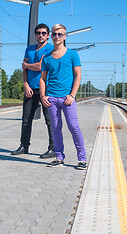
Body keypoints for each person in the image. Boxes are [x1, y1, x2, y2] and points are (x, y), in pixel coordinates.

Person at [40, 24, 87, 169]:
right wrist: (43, 96)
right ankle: (59, 157)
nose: (57, 37)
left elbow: (78, 75)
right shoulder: (46, 57)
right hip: (52, 98)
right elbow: (43, 78)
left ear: (65, 37)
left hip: (68, 98)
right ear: (51, 36)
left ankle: (82, 159)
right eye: (54, 34)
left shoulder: (73, 54)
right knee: (55, 127)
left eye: (60, 34)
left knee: (74, 127)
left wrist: (72, 95)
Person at [11, 23, 55, 159]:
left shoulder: (51, 49)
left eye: (43, 33)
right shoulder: (29, 49)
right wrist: (26, 85)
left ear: (48, 35)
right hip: (31, 88)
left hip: (46, 89)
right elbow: (24, 69)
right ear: (35, 34)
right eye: (38, 33)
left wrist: (28, 65)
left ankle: (53, 148)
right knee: (26, 119)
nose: (40, 35)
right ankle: (24, 146)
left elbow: (41, 66)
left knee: (50, 120)